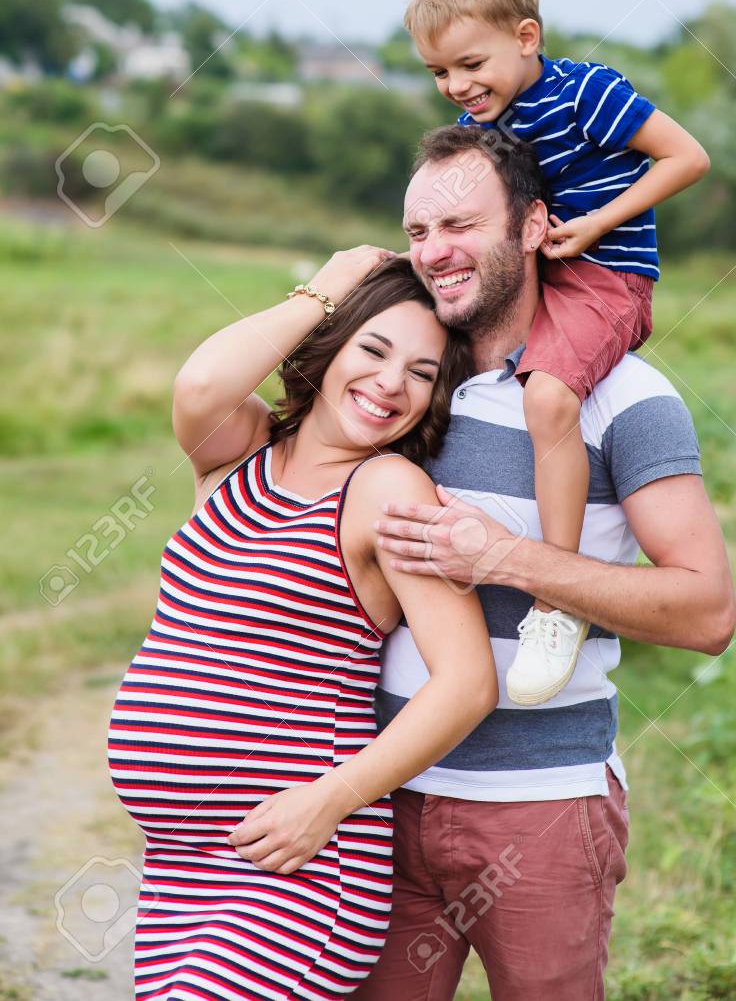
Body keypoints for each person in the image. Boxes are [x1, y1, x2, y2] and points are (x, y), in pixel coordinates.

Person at [354, 123, 736, 1000]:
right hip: (377, 804)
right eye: (417, 234)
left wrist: (508, 559)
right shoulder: (400, 383)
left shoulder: (626, 398)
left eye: (460, 227)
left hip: (543, 809)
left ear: (533, 226)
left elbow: (707, 613)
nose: (435, 254)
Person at [107, 251, 499, 1000]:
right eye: (373, 350)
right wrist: (326, 286)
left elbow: (467, 683)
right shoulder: (241, 452)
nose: (390, 383)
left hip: (296, 866)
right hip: (180, 870)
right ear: (329, 341)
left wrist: (329, 800)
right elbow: (200, 383)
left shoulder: (384, 487)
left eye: (422, 372)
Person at [403, 0, 712, 705]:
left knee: (546, 398)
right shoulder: (482, 119)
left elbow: (686, 157)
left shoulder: (586, 94)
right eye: (440, 73)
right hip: (540, 267)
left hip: (605, 272)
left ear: (527, 38)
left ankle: (554, 600)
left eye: (470, 64)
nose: (457, 86)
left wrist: (596, 223)